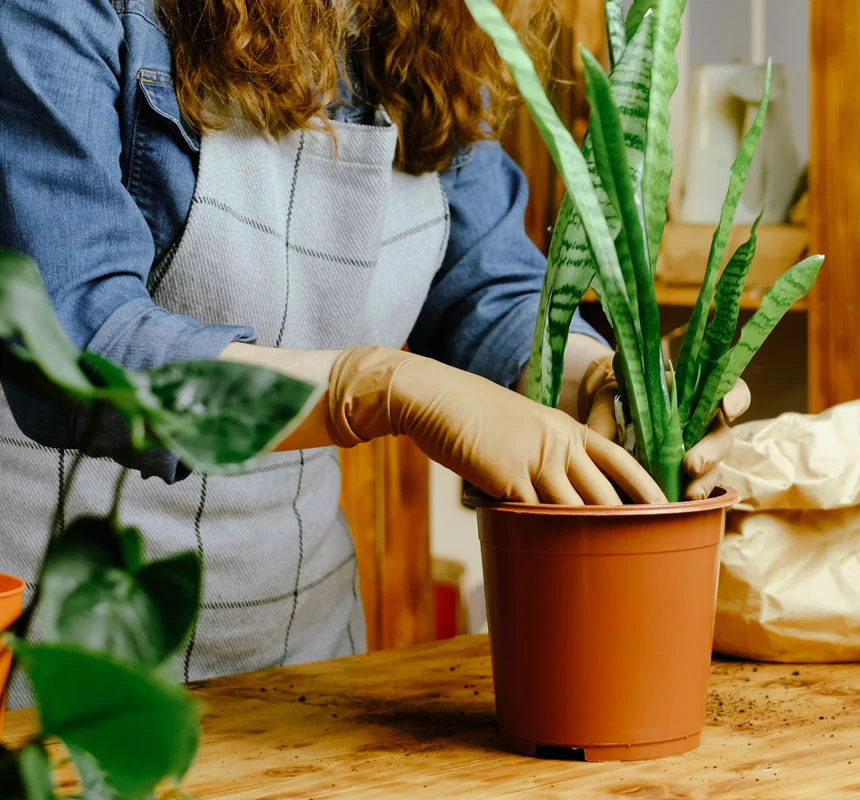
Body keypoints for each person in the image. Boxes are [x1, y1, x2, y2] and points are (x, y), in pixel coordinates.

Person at [0, 0, 751, 705]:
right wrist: (374, 387)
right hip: (57, 651)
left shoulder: (426, 24)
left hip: (304, 653)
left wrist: (601, 380)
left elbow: (483, 287)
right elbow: (77, 345)